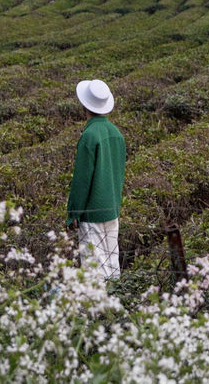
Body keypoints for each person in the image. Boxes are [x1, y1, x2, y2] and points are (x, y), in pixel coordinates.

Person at [66, 78, 126, 280]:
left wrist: (73, 212)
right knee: (111, 263)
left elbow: (82, 180)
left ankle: (97, 310)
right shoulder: (116, 133)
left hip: (92, 213)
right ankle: (116, 303)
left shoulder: (89, 135)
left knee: (94, 270)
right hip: (112, 209)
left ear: (84, 105)